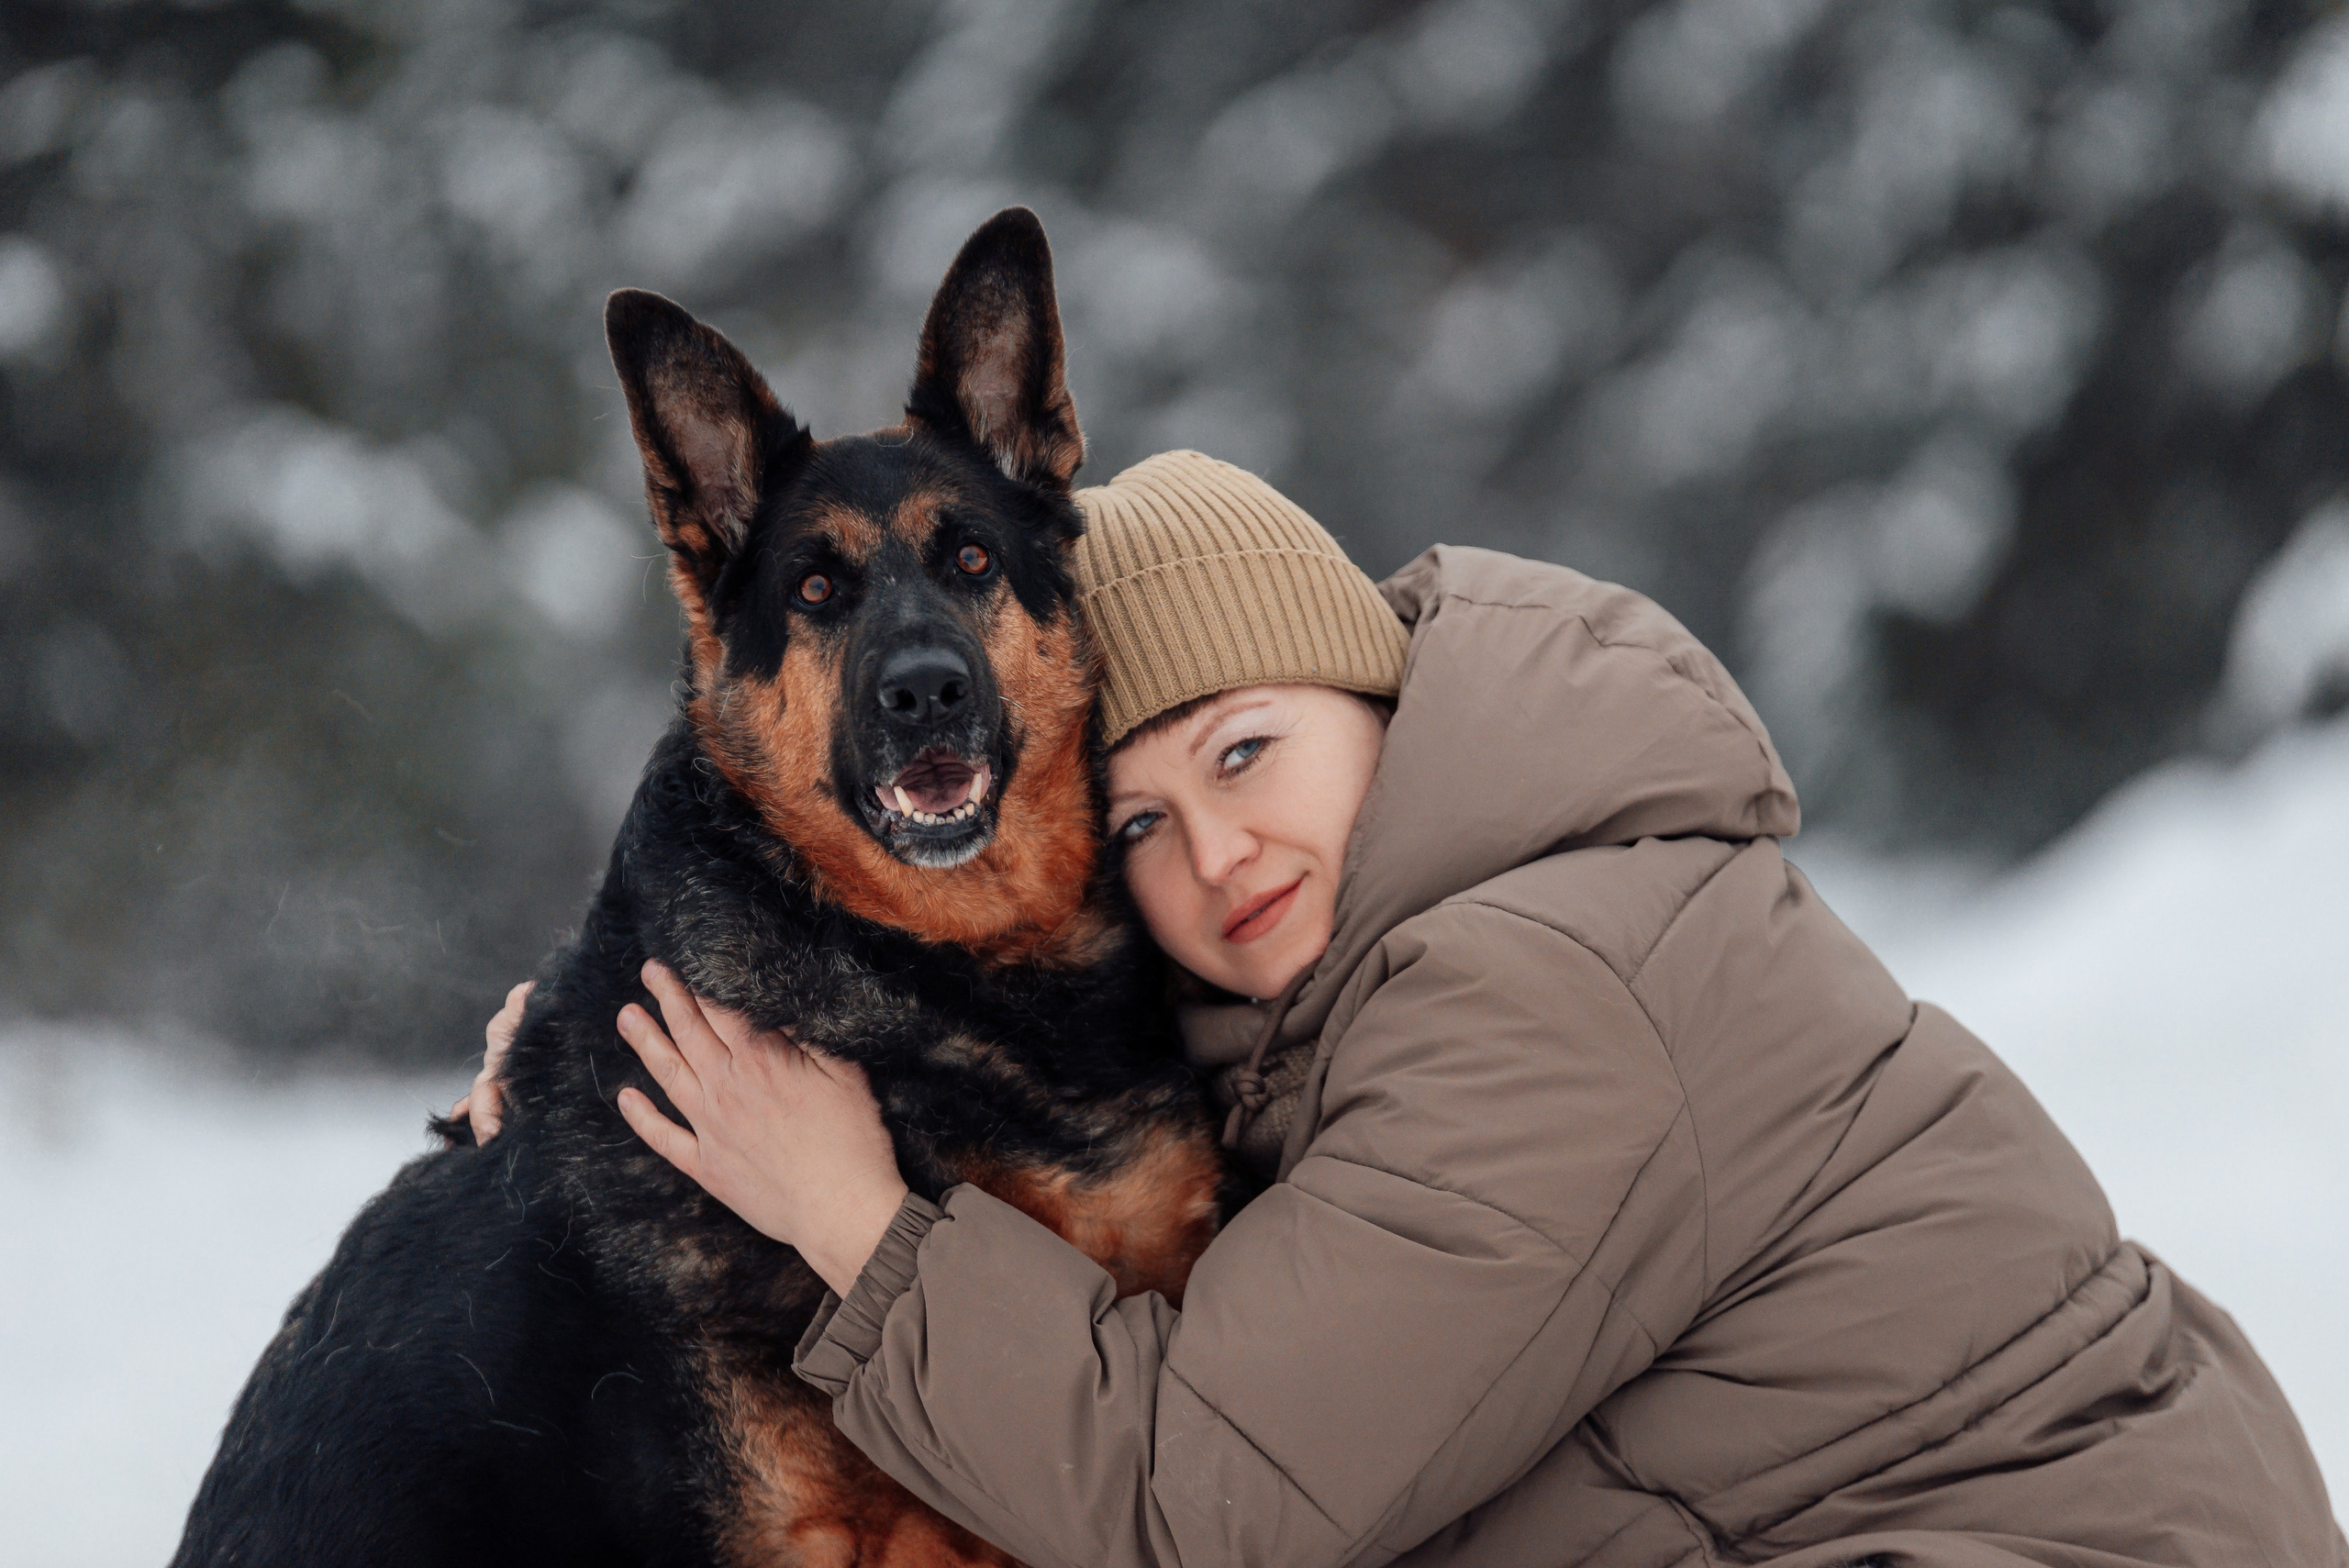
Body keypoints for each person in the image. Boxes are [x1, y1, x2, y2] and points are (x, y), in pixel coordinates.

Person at [461, 450, 2343, 1567]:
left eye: (1249, 750)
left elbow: (1206, 1494)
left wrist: (853, 1224)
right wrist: (622, 1096)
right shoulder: (1366, 957)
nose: (1216, 852)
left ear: (1368, 683)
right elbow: (1098, 1143)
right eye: (1139, 822)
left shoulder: (1543, 988)